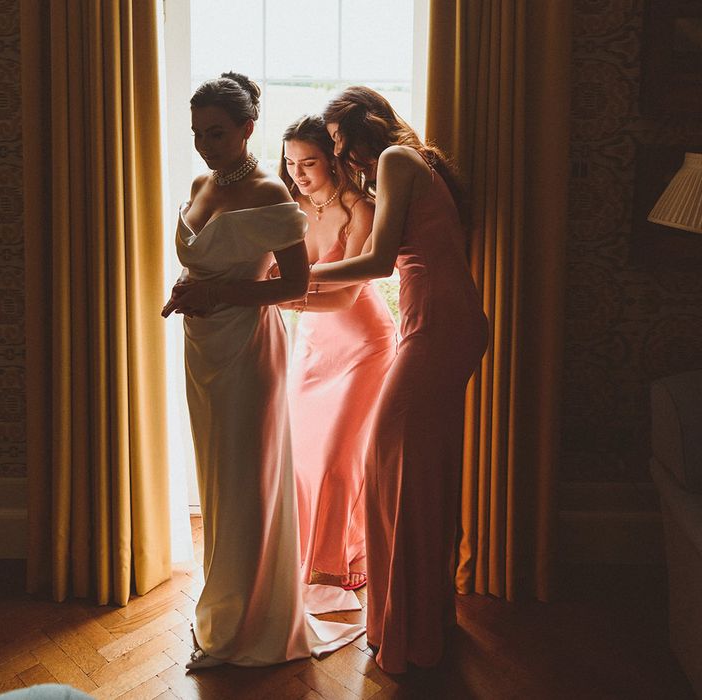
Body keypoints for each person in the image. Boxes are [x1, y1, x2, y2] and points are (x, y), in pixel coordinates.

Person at [161, 72, 363, 670]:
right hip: (204, 350)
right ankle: (222, 613)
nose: (205, 145)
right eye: (197, 133)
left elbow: (295, 284)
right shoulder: (201, 182)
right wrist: (190, 290)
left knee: (245, 483)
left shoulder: (271, 195)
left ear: (249, 129)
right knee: (218, 483)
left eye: (217, 133)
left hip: (248, 351)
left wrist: (217, 291)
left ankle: (246, 628)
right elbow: (207, 265)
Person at [310, 86, 489, 674]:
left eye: (337, 141)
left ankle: (410, 637)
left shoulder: (396, 159)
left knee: (394, 468)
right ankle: (421, 621)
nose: (339, 157)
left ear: (361, 126)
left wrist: (295, 279)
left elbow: (380, 261)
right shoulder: (415, 162)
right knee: (414, 472)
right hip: (442, 320)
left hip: (438, 323)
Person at [277, 115, 396, 592]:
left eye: (309, 162)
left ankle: (335, 562)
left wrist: (284, 297)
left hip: (363, 346)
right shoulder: (292, 206)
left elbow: (347, 295)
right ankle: (308, 555)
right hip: (313, 345)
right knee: (303, 456)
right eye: (290, 163)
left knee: (336, 459)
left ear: (332, 160)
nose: (299, 173)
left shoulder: (362, 209)